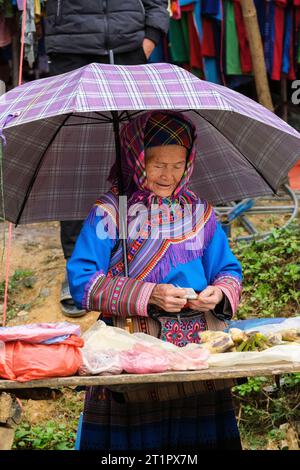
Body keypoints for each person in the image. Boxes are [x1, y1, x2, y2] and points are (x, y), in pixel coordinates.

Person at [67, 111, 243, 451]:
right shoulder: (110, 213)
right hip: (132, 350)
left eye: (178, 164)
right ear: (136, 159)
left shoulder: (200, 213)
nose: (169, 175)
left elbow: (228, 270)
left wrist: (218, 293)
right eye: (157, 164)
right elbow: (83, 282)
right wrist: (149, 294)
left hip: (198, 351)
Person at [44, 0, 170, 317]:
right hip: (72, 50)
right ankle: (78, 271)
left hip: (128, 48)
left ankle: (136, 261)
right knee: (75, 159)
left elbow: (158, 2)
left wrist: (148, 39)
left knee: (134, 156)